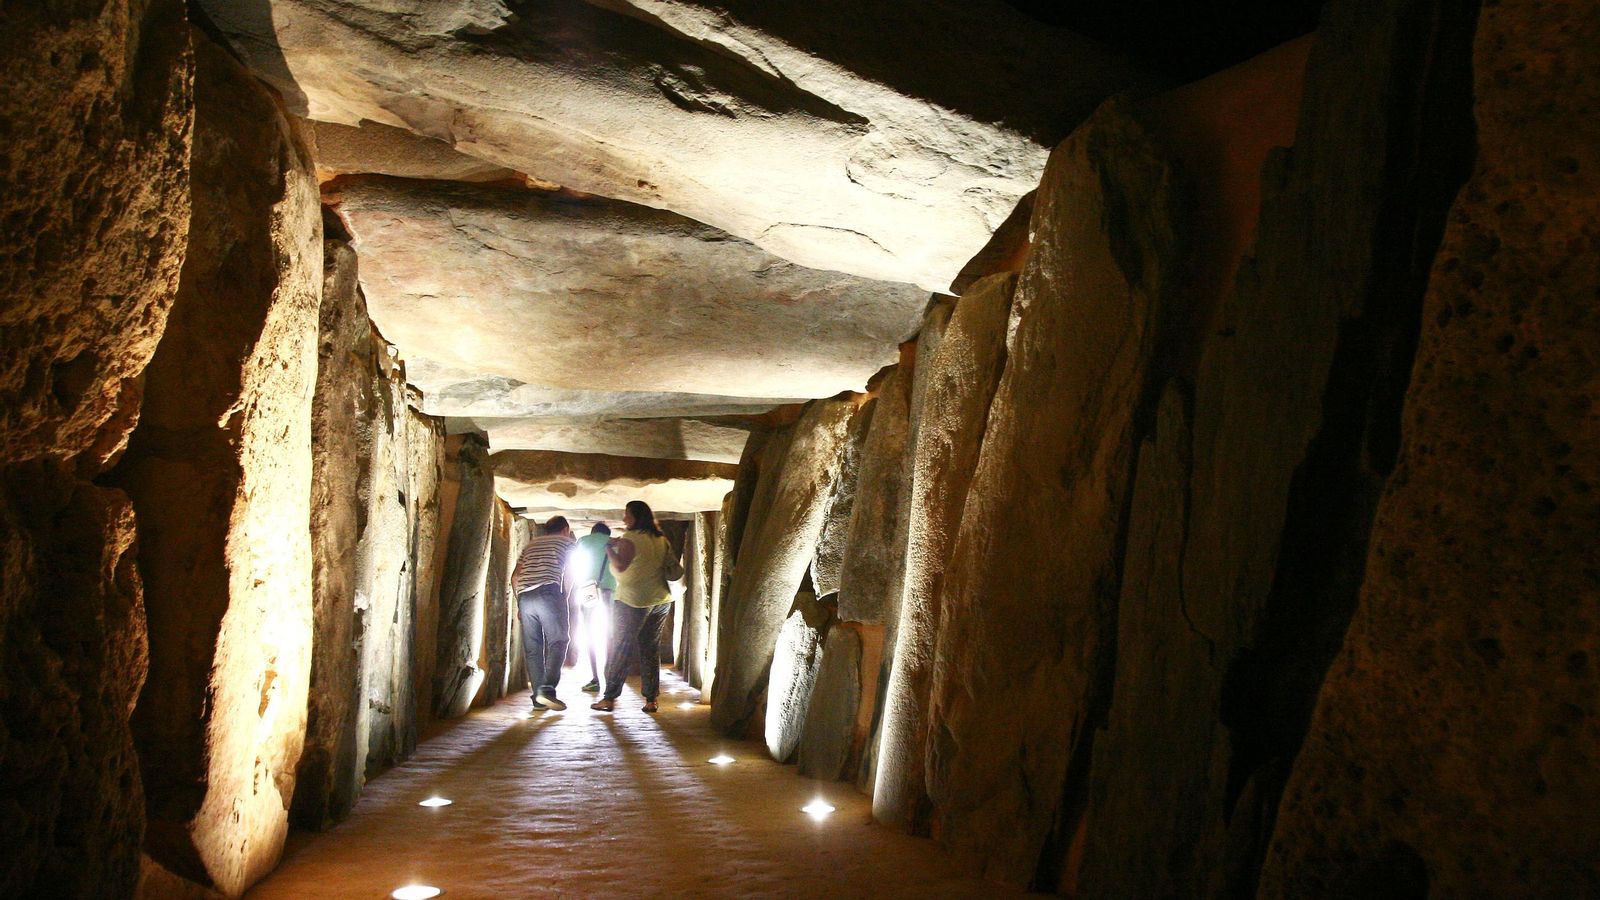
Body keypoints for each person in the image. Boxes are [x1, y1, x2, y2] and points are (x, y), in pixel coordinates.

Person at [590, 500, 679, 713]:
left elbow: (620, 565)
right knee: (650, 648)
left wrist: (609, 549)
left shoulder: (631, 538)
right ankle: (651, 700)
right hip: (660, 600)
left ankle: (609, 698)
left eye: (627, 514)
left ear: (636, 517)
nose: (624, 518)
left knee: (621, 646)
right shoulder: (660, 539)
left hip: (632, 600)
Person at [512, 516, 576, 711]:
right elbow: (571, 570)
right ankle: (547, 691)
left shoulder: (531, 545)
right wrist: (564, 596)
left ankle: (538, 698)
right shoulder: (567, 542)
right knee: (559, 641)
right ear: (565, 529)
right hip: (548, 591)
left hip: (524, 595)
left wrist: (519, 604)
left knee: (533, 649)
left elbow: (515, 576)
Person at [571, 521, 617, 693]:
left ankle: (595, 678)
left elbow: (575, 563)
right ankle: (610, 675)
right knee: (610, 634)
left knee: (589, 633)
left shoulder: (583, 541)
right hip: (610, 590)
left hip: (588, 589)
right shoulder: (613, 541)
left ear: (593, 531)